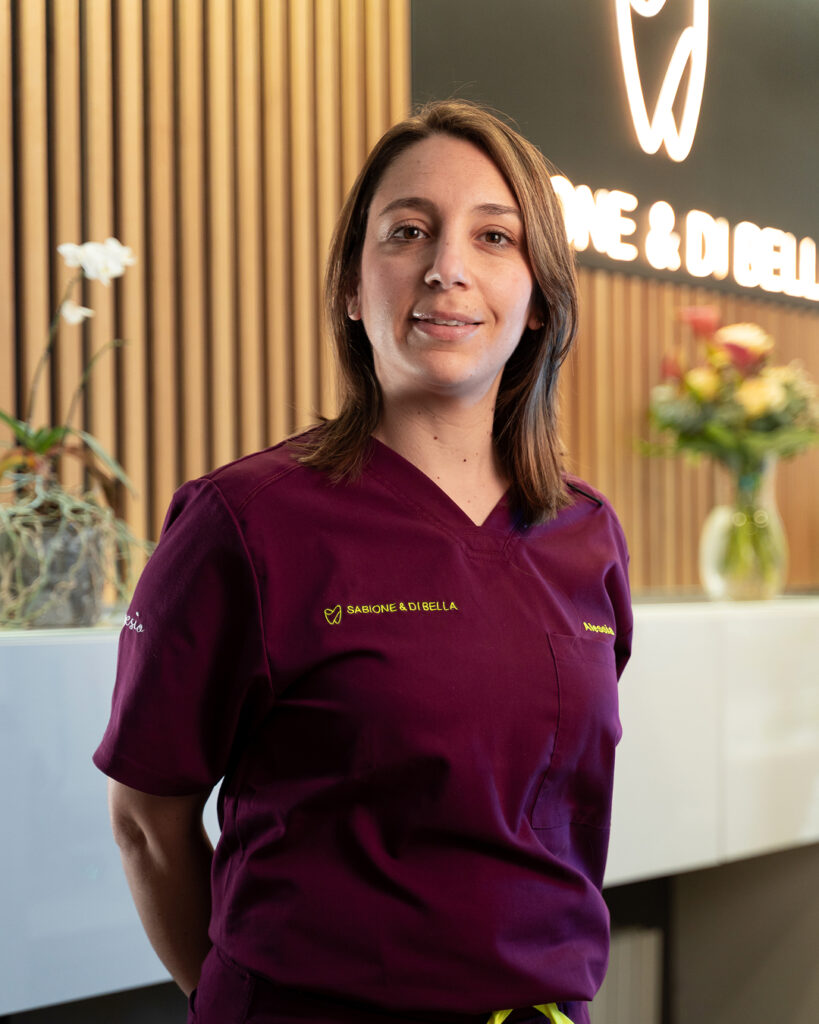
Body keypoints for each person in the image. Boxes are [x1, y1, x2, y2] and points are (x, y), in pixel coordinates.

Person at [94, 99, 632, 1024]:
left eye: (493, 237)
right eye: (408, 231)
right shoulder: (244, 523)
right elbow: (147, 825)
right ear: (351, 286)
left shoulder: (584, 535)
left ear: (540, 296)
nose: (446, 268)